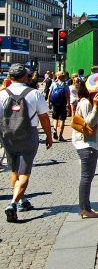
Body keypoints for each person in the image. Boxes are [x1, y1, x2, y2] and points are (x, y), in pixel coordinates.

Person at [1, 63, 53, 222]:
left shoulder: (2, 94)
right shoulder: (34, 94)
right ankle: (14, 203)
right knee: (24, 172)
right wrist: (49, 136)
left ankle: (22, 200)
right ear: (25, 77)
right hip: (28, 134)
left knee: (14, 169)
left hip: (7, 134)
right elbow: (44, 117)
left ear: (10, 77)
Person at [71, 79, 98, 219]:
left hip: (89, 143)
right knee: (86, 177)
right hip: (87, 144)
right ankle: (85, 209)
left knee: (87, 177)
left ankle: (86, 207)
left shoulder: (86, 101)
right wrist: (96, 106)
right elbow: (90, 122)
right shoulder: (86, 103)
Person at [48, 72, 70, 142]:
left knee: (55, 118)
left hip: (55, 103)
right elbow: (68, 95)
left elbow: (49, 94)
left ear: (57, 77)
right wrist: (68, 104)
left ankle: (54, 130)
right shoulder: (65, 85)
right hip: (63, 104)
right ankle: (60, 136)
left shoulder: (54, 84)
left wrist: (49, 103)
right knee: (62, 119)